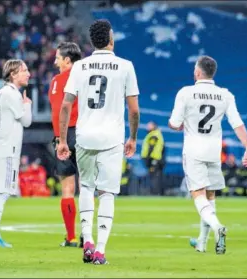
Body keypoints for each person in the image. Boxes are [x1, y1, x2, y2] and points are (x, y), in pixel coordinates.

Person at [56, 19, 140, 265]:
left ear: (92, 41)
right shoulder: (125, 66)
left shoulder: (80, 67)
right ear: (111, 39)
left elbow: (65, 104)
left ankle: (87, 240)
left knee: (87, 188)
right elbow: (133, 110)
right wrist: (133, 138)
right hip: (112, 138)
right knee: (107, 193)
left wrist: (62, 140)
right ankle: (100, 250)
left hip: (84, 136)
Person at [169, 55, 247, 255]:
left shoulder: (186, 93)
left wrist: (178, 124)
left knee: (198, 195)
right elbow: (237, 122)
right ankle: (202, 243)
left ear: (197, 73)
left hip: (194, 150)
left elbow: (174, 123)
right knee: (210, 195)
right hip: (214, 151)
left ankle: (218, 227)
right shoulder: (225, 94)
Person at [0, 59, 32, 248]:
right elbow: (27, 121)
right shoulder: (11, 94)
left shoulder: (3, 93)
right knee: (1, 192)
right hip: (6, 150)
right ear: (13, 74)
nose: (28, 73)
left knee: (0, 192)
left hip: (2, 148)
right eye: (24, 70)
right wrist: (27, 104)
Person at [48, 42, 83, 248]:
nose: (55, 61)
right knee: (87, 187)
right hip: (86, 133)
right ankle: (87, 237)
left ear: (67, 60)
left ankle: (70, 237)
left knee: (68, 188)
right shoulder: (87, 77)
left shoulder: (58, 80)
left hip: (66, 134)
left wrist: (60, 139)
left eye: (58, 58)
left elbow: (57, 111)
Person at [140, 121, 165, 195]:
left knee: (154, 177)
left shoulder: (154, 135)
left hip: (153, 159)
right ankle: (156, 192)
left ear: (154, 126)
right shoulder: (156, 134)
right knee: (155, 176)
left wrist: (149, 159)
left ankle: (155, 193)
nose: (147, 127)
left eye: (149, 125)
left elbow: (151, 147)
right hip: (155, 159)